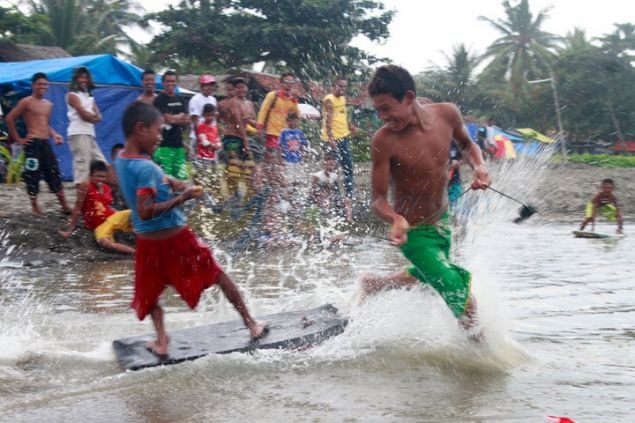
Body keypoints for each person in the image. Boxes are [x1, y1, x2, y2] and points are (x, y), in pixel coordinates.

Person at [115, 101, 267, 356]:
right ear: (140, 129)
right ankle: (251, 323)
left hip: (146, 242)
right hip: (176, 238)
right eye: (157, 130)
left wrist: (171, 181)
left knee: (150, 294)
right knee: (218, 275)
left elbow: (148, 181)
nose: (160, 136)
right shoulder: (146, 167)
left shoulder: (121, 159)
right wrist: (181, 198)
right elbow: (144, 209)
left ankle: (162, 340)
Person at [359, 65, 491, 336]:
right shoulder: (384, 140)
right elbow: (379, 199)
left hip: (441, 222)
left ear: (408, 97)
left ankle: (375, 285)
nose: (382, 117)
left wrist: (479, 166)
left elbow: (467, 145)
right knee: (462, 297)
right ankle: (486, 361)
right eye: (378, 111)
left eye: (386, 108)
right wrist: (395, 218)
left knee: (426, 276)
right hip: (414, 235)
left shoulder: (447, 114)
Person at [5, 72, 72, 215]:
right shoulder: (26, 102)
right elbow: (10, 118)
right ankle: (35, 206)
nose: (43, 86)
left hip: (45, 142)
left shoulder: (48, 105)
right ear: (33, 85)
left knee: (53, 171)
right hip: (32, 144)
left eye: (45, 84)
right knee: (32, 174)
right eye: (40, 84)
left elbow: (46, 124)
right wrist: (18, 139)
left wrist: (55, 135)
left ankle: (64, 205)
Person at [60, 160, 135, 254]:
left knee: (137, 214)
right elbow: (77, 208)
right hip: (100, 225)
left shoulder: (106, 188)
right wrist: (70, 228)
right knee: (104, 242)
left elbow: (107, 205)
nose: (101, 179)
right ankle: (136, 253)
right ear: (90, 176)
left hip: (115, 217)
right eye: (97, 176)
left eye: (103, 177)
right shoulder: (85, 186)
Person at [256, 72, 300, 187]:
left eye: (292, 82)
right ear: (281, 83)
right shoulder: (272, 95)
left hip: (285, 136)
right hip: (271, 133)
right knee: (270, 160)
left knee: (282, 161)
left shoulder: (292, 99)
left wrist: (295, 102)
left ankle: (275, 184)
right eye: (286, 82)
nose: (289, 85)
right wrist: (259, 127)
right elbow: (263, 110)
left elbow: (295, 115)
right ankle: (267, 182)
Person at [66, 66, 107, 184]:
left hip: (89, 132)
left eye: (85, 77)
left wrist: (91, 116)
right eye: (80, 77)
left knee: (100, 163)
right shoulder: (72, 95)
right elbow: (85, 115)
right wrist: (92, 116)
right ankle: (81, 198)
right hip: (78, 132)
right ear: (75, 79)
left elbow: (99, 116)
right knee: (82, 167)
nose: (83, 80)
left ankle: (92, 195)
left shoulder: (89, 96)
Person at [321, 77, 357, 206]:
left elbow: (341, 116)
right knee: (332, 170)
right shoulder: (329, 100)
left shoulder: (342, 99)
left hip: (343, 138)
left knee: (348, 168)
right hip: (332, 140)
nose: (342, 89)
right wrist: (331, 138)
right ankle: (335, 201)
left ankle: (349, 198)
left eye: (344, 87)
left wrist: (350, 126)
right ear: (333, 86)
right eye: (339, 86)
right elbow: (328, 120)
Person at [152, 70, 189, 180]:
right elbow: (167, 119)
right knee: (166, 177)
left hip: (179, 144)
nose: (170, 84)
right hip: (164, 145)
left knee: (181, 177)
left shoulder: (180, 98)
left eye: (172, 81)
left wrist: (173, 118)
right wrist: (179, 116)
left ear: (176, 82)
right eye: (167, 81)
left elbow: (187, 120)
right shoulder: (159, 99)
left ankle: (181, 197)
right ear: (163, 83)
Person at [193, 103, 222, 191]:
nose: (210, 117)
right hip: (202, 157)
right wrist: (212, 145)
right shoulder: (201, 127)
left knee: (213, 178)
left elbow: (217, 139)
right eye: (208, 115)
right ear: (203, 115)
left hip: (212, 157)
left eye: (212, 115)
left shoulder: (214, 128)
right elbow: (203, 141)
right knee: (203, 178)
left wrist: (218, 145)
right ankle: (201, 195)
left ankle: (211, 195)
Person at [188, 74, 218, 155]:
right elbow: (195, 120)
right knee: (198, 164)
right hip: (197, 137)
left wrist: (215, 137)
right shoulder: (195, 99)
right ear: (201, 86)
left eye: (212, 85)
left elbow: (214, 121)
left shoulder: (213, 100)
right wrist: (200, 139)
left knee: (212, 164)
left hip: (211, 138)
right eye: (207, 85)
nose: (210, 87)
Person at [279, 111, 309, 187]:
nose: (293, 123)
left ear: (298, 121)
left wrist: (304, 157)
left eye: (295, 120)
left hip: (298, 160)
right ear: (287, 121)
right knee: (289, 179)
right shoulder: (284, 132)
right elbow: (280, 146)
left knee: (297, 180)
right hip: (288, 160)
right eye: (290, 120)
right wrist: (281, 159)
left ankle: (295, 194)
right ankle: (289, 194)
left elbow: (303, 146)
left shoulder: (299, 132)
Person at [107, 143, 126, 209]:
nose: (120, 157)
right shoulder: (106, 170)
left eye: (122, 155)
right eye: (117, 155)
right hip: (111, 204)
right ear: (112, 156)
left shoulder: (131, 171)